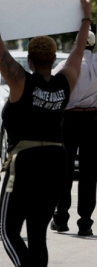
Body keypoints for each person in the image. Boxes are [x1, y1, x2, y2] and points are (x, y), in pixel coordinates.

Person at [0, 0, 92, 266]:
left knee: (8, 229)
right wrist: (86, 16)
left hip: (26, 162)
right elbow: (78, 49)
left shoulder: (19, 81)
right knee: (37, 234)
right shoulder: (67, 79)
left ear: (29, 60)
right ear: (53, 60)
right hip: (56, 161)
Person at [50, 31, 97, 236]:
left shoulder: (65, 65)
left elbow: (52, 89)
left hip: (68, 120)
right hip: (93, 121)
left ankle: (61, 219)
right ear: (93, 46)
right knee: (89, 174)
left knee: (64, 172)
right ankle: (85, 223)